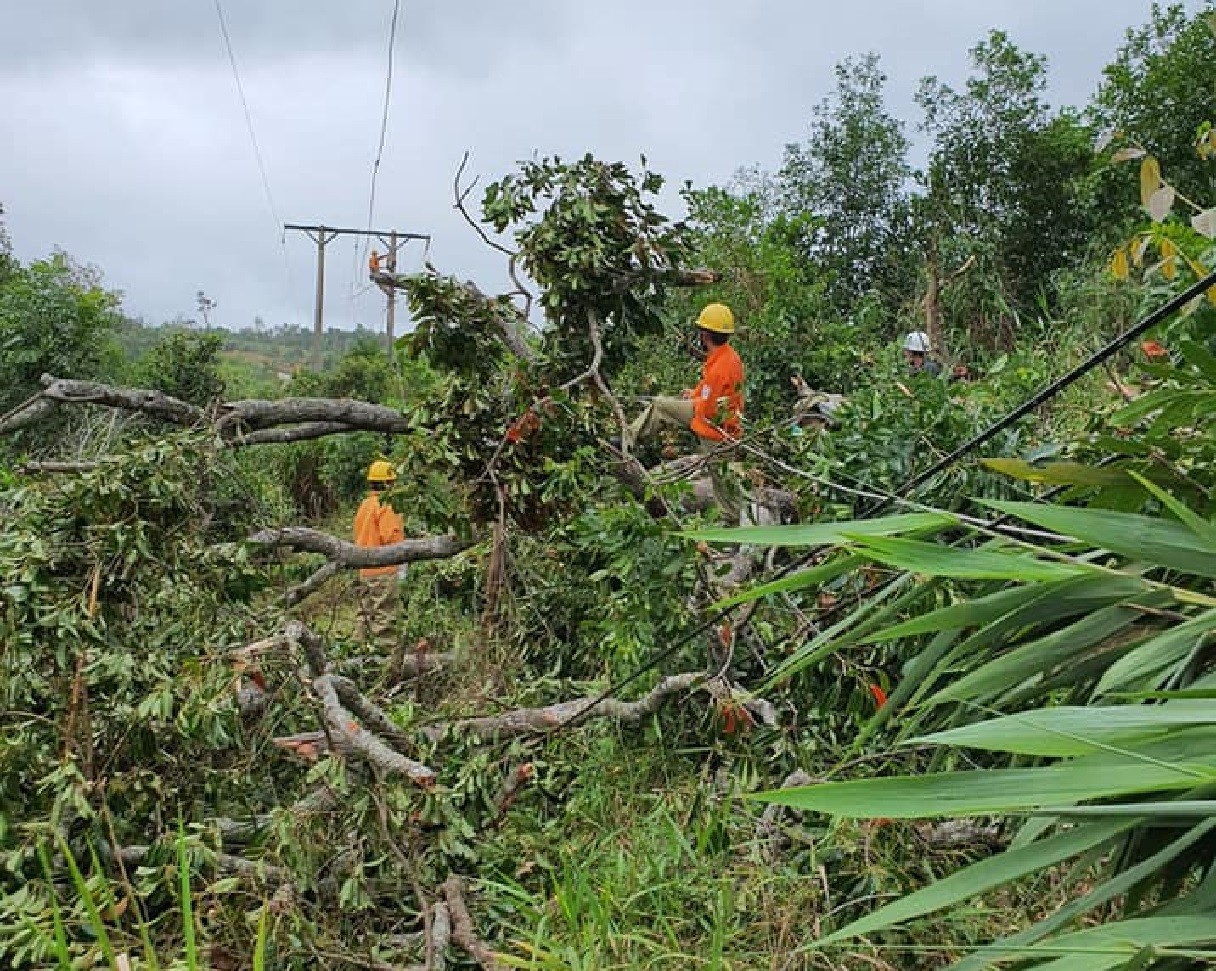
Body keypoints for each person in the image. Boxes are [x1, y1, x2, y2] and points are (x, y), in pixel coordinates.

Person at [625, 302, 745, 521]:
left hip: (716, 431)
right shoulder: (725, 356)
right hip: (714, 422)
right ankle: (628, 440)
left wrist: (697, 401)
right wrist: (695, 394)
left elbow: (709, 409)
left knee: (724, 487)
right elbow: (708, 388)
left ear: (706, 334)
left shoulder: (721, 366)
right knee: (660, 405)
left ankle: (733, 533)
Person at [353, 460, 405, 651]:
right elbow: (389, 536)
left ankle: (355, 655)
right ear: (388, 483)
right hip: (384, 568)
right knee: (385, 615)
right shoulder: (386, 505)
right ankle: (384, 659)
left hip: (364, 569)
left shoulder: (365, 505)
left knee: (364, 615)